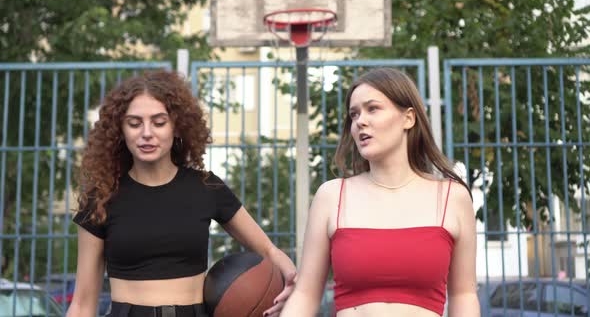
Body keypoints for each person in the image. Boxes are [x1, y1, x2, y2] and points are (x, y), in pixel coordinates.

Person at [66, 70, 296, 317]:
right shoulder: (101, 198)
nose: (146, 133)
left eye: (159, 122)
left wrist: (292, 278)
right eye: (134, 123)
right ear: (121, 131)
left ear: (176, 127)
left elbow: (268, 250)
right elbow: (83, 303)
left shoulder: (207, 188)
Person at [281, 68, 479, 317]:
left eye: (372, 108)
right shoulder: (332, 196)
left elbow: (464, 296)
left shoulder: (453, 198)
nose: (360, 121)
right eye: (354, 114)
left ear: (408, 118)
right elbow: (305, 294)